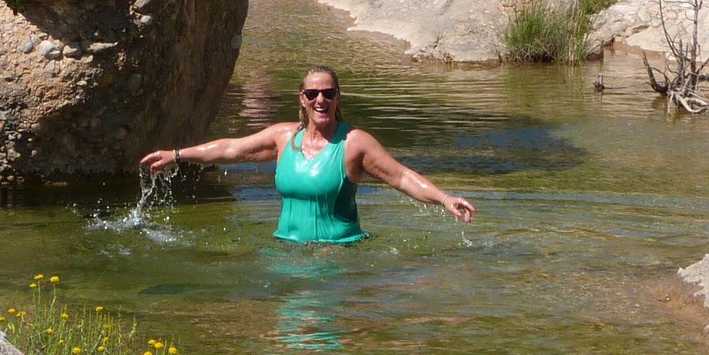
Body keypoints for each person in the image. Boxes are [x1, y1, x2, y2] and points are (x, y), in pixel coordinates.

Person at [141, 66, 474, 243]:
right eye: (313, 93)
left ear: (338, 98)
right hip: (286, 251)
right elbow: (231, 149)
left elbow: (399, 175)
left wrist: (444, 199)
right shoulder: (283, 138)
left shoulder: (354, 143)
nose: (320, 100)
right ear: (302, 98)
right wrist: (177, 155)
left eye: (328, 93)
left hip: (339, 255)